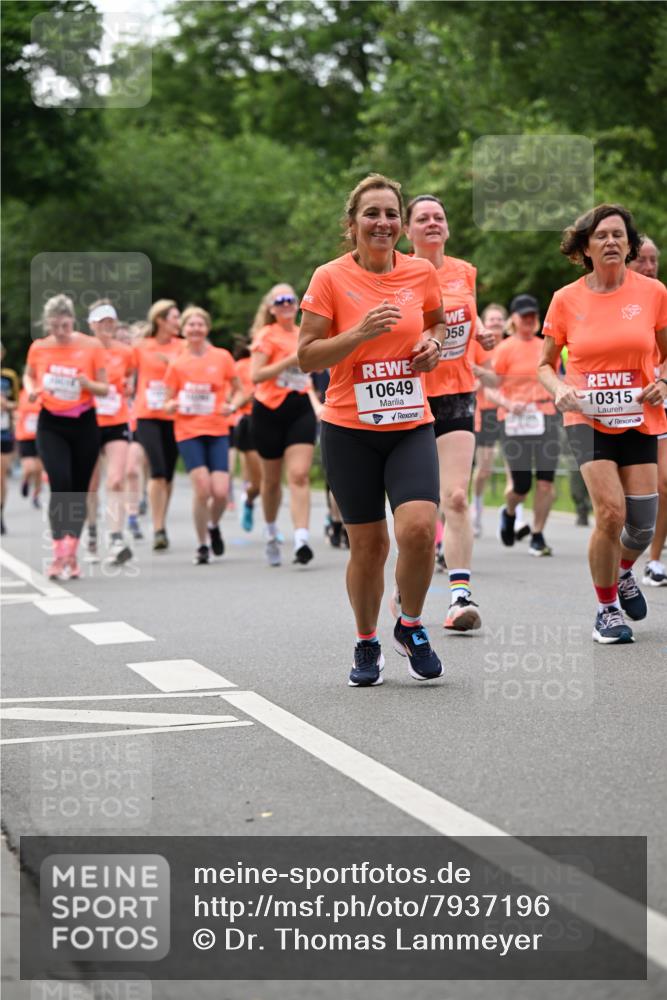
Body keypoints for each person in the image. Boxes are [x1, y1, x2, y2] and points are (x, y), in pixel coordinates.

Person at [298, 173, 445, 687]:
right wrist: (358, 334)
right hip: (348, 429)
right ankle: (366, 641)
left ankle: (410, 625)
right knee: (370, 547)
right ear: (353, 223)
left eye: (390, 214)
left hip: (409, 424)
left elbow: (436, 323)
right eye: (371, 213)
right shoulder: (329, 277)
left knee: (420, 530)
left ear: (402, 224)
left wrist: (432, 344)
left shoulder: (420, 272)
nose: (382, 223)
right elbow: (307, 354)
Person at [538, 204, 667, 643]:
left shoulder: (653, 293)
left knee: (643, 524)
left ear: (630, 245)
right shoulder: (565, 299)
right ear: (585, 248)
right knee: (611, 514)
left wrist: (663, 381)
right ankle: (607, 609)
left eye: (619, 235)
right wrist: (558, 390)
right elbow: (545, 365)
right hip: (587, 418)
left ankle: (624, 570)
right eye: (601, 236)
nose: (611, 241)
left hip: (640, 416)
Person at [405, 195, 496, 629]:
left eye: (438, 217)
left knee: (456, 496)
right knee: (419, 511)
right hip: (410, 396)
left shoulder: (465, 271)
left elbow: (467, 319)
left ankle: (460, 597)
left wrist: (482, 335)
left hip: (458, 390)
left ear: (448, 227)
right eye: (422, 218)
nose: (432, 223)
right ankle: (408, 587)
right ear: (408, 231)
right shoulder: (397, 275)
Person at [24, 295, 108, 579]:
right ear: (47, 324)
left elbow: (105, 388)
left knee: (79, 490)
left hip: (84, 422)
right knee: (60, 484)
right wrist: (32, 388)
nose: (59, 332)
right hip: (51, 423)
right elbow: (28, 376)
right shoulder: (39, 348)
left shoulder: (91, 345)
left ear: (73, 321)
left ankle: (71, 552)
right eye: (54, 326)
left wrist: (88, 384)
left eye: (64, 325)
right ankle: (59, 552)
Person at [478, 294, 560, 556]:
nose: (528, 320)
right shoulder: (503, 349)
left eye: (532, 315)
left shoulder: (546, 346)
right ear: (513, 319)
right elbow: (491, 390)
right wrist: (508, 403)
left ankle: (537, 534)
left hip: (544, 416)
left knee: (546, 482)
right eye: (523, 315)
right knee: (521, 485)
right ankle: (510, 511)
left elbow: (555, 379)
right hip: (513, 421)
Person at [250, 283, 320, 567]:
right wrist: (290, 360)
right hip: (268, 409)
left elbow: (311, 370)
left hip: (299, 406)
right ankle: (270, 531)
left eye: (291, 299)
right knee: (270, 481)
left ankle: (302, 538)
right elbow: (256, 375)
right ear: (271, 307)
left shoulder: (306, 331)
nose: (286, 304)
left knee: (300, 474)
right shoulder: (266, 335)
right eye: (279, 300)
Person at [164, 307, 239, 564]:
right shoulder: (176, 363)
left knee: (220, 491)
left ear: (207, 328)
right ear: (184, 330)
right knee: (202, 488)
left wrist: (233, 404)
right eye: (190, 325)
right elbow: (167, 400)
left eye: (200, 324)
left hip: (217, 429)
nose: (195, 329)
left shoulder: (222, 357)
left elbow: (238, 390)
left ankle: (213, 525)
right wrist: (171, 405)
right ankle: (201, 545)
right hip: (188, 431)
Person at [628, 236, 667, 585]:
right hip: (631, 407)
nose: (650, 267)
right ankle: (621, 558)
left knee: (665, 483)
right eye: (642, 259)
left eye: (654, 260)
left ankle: (655, 560)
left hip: (662, 396)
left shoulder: (660, 296)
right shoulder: (620, 300)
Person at [86, 300, 136, 566]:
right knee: (92, 484)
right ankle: (92, 534)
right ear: (92, 324)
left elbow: (131, 375)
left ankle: (116, 538)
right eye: (101, 321)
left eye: (111, 321)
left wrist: (128, 385)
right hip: (88, 421)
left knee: (116, 479)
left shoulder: (125, 352)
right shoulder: (82, 350)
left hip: (116, 420)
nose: (107, 326)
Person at [133, 300, 182, 550]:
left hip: (175, 417)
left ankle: (161, 519)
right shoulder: (142, 347)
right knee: (158, 470)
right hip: (148, 414)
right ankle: (158, 527)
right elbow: (122, 370)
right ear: (161, 320)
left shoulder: (183, 347)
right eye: (175, 317)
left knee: (169, 474)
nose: (179, 322)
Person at [471, 304, 506, 535]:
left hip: (512, 410)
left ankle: (517, 517)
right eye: (491, 319)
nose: (495, 323)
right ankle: (477, 506)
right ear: (484, 322)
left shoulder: (510, 345)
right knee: (484, 468)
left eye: (499, 319)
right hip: (486, 411)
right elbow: (471, 372)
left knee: (515, 467)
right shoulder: (476, 345)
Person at [229, 338, 260, 533]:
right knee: (258, 482)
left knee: (270, 482)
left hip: (273, 421)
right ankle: (248, 500)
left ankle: (271, 530)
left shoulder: (276, 362)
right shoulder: (240, 366)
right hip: (247, 421)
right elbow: (231, 396)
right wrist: (246, 398)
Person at [14, 387, 43, 508]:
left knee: (39, 470)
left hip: (40, 436)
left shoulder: (42, 393)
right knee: (29, 468)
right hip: (25, 437)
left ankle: (36, 495)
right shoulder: (21, 394)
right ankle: (25, 481)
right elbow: (15, 411)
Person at [1, 347, 19, 534]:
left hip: (3, 432)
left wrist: (7, 405)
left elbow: (18, 403)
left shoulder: (9, 377)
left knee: (0, 477)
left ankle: (0, 513)